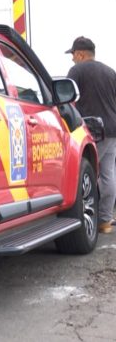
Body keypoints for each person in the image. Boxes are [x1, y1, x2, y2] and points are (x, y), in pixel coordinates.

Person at [65, 36, 116, 234]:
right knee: (108, 174)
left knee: (86, 173)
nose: (72, 59)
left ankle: (88, 218)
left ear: (80, 54)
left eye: (73, 55)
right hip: (112, 130)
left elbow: (68, 99)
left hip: (93, 130)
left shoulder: (76, 71)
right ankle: (105, 221)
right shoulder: (110, 72)